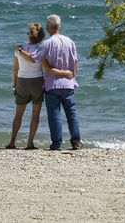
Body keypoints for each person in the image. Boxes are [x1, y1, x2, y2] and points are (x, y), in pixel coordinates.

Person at [34, 13, 81, 150]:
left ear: (49, 27)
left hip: (52, 84)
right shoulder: (70, 41)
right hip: (68, 83)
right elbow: (76, 61)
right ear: (59, 26)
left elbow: (35, 58)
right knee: (72, 113)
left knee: (54, 114)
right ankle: (76, 141)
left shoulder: (47, 44)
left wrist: (21, 50)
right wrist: (72, 76)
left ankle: (56, 143)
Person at [5, 22, 46, 149]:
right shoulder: (41, 48)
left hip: (22, 81)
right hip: (37, 82)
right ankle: (29, 143)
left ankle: (12, 142)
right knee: (35, 115)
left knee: (18, 114)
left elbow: (14, 70)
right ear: (41, 36)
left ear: (29, 35)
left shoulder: (19, 48)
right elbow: (40, 64)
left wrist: (14, 85)